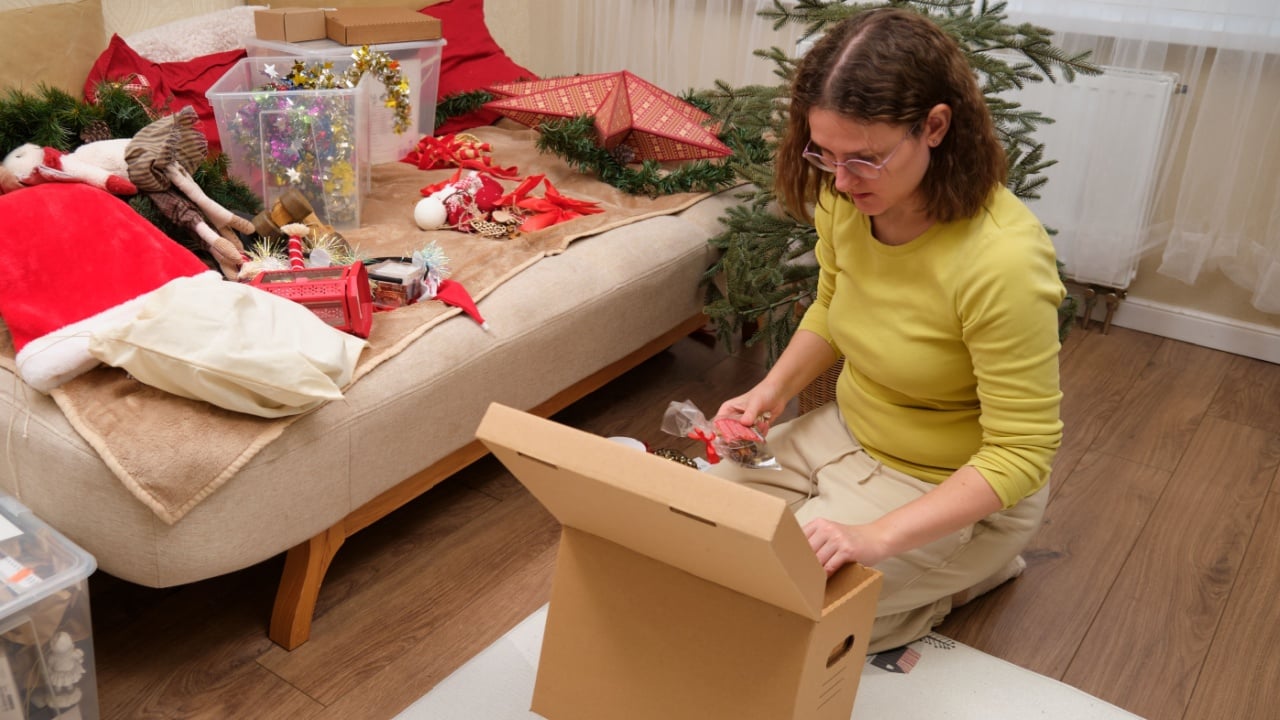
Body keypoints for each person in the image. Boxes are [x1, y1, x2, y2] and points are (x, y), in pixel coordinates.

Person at [710, 7, 1066, 653]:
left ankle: (960, 579)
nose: (841, 181)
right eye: (826, 153)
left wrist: (873, 539)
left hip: (940, 485)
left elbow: (1022, 453)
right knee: (687, 532)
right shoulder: (845, 196)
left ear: (934, 126)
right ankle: (881, 579)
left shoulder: (1003, 261)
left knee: (774, 614)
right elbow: (834, 307)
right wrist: (770, 391)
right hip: (839, 437)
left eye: (866, 159)